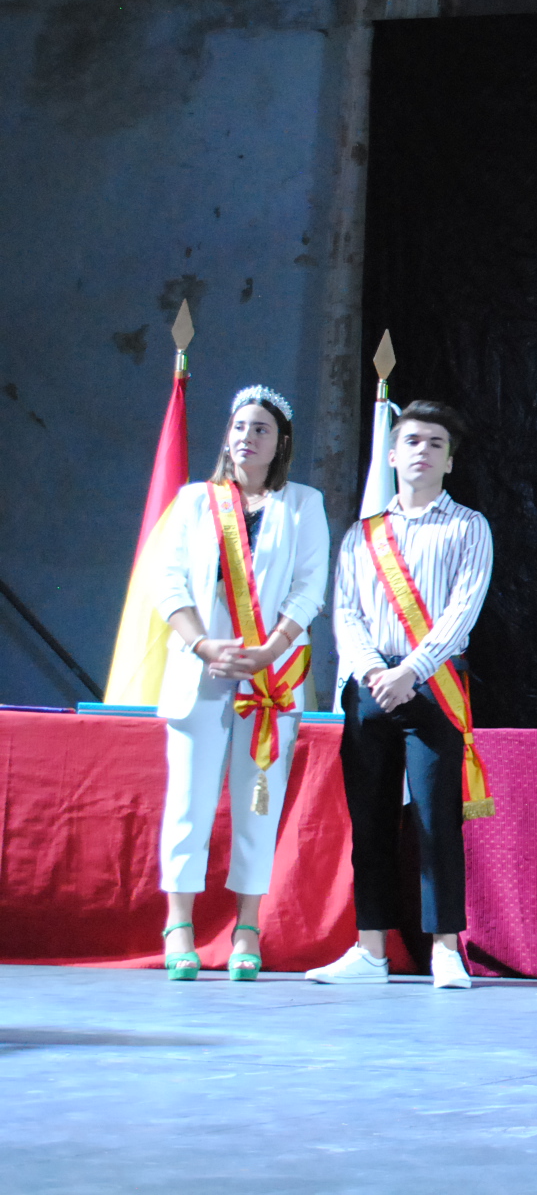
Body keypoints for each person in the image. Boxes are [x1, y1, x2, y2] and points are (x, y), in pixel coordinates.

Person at [307, 400, 495, 990]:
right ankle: (370, 949)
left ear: (450, 460)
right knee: (370, 821)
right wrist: (372, 672)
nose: (422, 451)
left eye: (436, 443)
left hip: (433, 685)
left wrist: (410, 670)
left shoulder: (469, 527)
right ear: (391, 455)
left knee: (437, 821)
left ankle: (445, 949)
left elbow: (462, 610)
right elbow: (346, 612)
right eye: (412, 441)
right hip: (369, 687)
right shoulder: (362, 535)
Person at [154, 386, 329, 980]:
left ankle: (247, 927)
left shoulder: (303, 504)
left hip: (270, 675)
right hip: (202, 667)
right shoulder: (193, 501)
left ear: (281, 443)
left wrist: (269, 651)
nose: (247, 437)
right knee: (189, 801)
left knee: (260, 801)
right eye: (239, 427)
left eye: (261, 429)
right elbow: (169, 582)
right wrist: (204, 645)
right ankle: (179, 925)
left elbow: (309, 587)